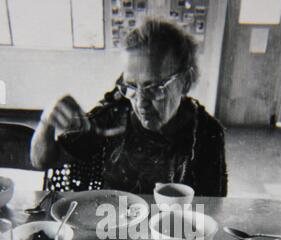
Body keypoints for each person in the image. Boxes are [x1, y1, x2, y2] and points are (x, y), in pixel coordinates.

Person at [31, 18, 227, 196]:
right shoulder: (115, 114)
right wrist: (46, 121)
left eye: (155, 87)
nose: (140, 102)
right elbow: (41, 161)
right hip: (112, 225)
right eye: (131, 86)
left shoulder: (205, 134)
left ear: (184, 82)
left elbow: (210, 210)